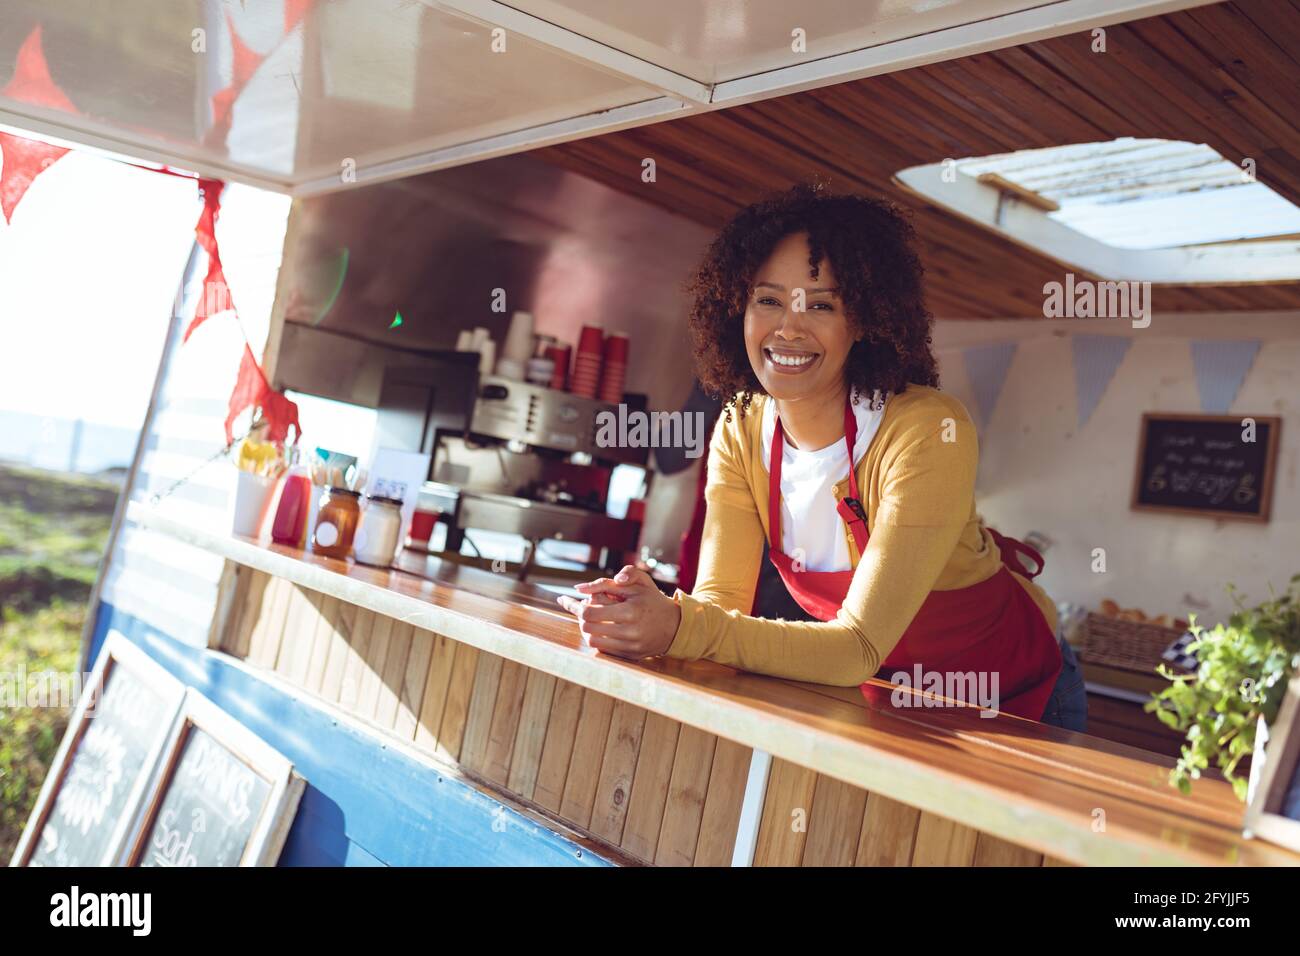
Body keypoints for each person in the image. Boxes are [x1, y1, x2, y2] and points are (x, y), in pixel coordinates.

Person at [558, 183, 1086, 731]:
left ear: (863, 321)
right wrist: (642, 615)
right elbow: (720, 609)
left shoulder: (928, 430)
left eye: (821, 305)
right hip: (887, 688)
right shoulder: (740, 427)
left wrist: (676, 625)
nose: (788, 326)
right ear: (734, 308)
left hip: (1016, 688)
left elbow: (856, 646)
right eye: (768, 300)